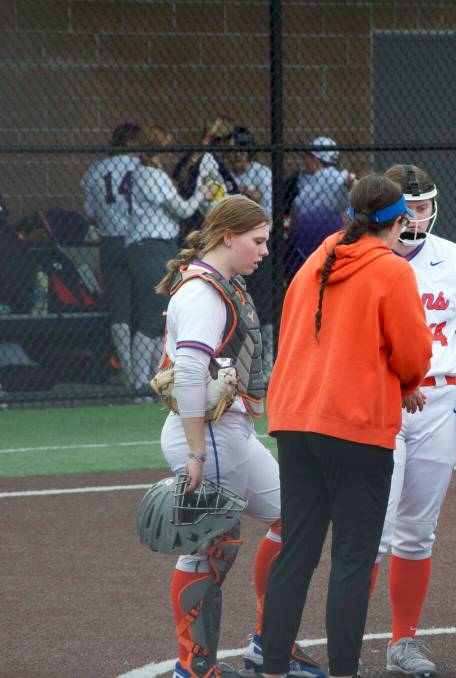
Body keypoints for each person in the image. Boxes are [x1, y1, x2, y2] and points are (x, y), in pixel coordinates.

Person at [260, 175, 433, 678]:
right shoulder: (392, 271)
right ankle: (343, 671)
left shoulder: (320, 256)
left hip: (294, 418)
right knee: (353, 559)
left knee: (297, 549)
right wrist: (406, 381)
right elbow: (413, 353)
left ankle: (272, 666)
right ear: (399, 221)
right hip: (356, 424)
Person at [152, 195, 323, 678]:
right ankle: (196, 666)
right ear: (228, 236)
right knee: (211, 547)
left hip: (232, 433)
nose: (265, 250)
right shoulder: (204, 292)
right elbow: (188, 372)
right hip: (208, 436)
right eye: (258, 240)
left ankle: (270, 644)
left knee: (295, 520)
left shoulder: (225, 283)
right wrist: (196, 452)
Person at [372, 164, 456, 677]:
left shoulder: (452, 256)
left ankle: (404, 639)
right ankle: (343, 631)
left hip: (439, 401)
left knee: (418, 532)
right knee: (375, 528)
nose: (415, 216)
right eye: (406, 208)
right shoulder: (365, 255)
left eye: (421, 207)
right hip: (379, 401)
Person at [127, 125, 212, 393]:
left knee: (159, 314)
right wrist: (203, 192)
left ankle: (153, 378)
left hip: (155, 245)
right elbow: (183, 209)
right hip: (151, 246)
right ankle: (140, 383)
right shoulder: (150, 174)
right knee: (152, 314)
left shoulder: (146, 174)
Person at [81, 122, 141, 383]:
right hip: (140, 240)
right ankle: (147, 372)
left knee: (120, 308)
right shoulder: (143, 169)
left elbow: (91, 215)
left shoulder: (95, 170)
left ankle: (129, 372)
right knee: (148, 306)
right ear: (130, 144)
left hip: (110, 240)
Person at [226, 126, 276, 378]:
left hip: (261, 244)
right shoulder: (224, 176)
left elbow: (269, 212)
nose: (238, 156)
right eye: (234, 151)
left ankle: (267, 362)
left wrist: (248, 197)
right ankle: (241, 361)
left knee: (264, 303)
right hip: (234, 246)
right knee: (237, 301)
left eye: (243, 151)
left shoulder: (262, 173)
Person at [283, 137, 353, 279]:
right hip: (311, 249)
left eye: (309, 156)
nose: (305, 159)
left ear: (315, 159)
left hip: (315, 249)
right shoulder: (302, 178)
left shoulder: (334, 179)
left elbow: (345, 186)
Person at [171, 116, 240, 242]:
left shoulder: (195, 158)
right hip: (203, 226)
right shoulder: (209, 162)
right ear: (224, 141)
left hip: (195, 226)